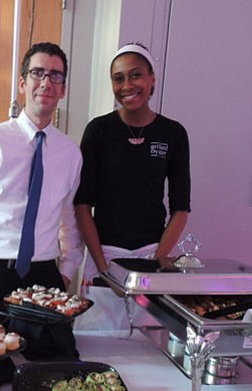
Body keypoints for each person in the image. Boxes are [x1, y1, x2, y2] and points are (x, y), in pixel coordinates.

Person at [0, 42, 83, 341]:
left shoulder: (70, 153)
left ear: (63, 89)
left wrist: (67, 272)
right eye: (38, 73)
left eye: (55, 76)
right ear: (23, 83)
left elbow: (70, 219)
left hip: (44, 275)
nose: (46, 82)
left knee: (50, 364)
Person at [74, 42, 190, 284]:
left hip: (151, 254)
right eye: (118, 78)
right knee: (100, 323)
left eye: (136, 75)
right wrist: (103, 267)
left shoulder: (173, 133)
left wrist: (156, 260)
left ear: (152, 80)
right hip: (103, 254)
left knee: (150, 324)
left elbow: (181, 208)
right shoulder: (98, 131)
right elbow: (82, 205)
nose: (127, 86)